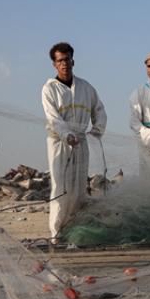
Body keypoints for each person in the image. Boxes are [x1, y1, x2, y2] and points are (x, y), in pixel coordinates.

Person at [41, 41, 106, 241]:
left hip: (81, 142)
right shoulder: (49, 89)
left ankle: (74, 232)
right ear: (54, 64)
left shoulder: (86, 87)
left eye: (67, 59)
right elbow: (53, 118)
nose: (65, 64)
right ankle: (56, 233)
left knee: (78, 189)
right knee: (61, 187)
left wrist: (96, 131)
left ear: (73, 60)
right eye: (60, 60)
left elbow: (99, 111)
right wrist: (66, 135)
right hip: (59, 144)